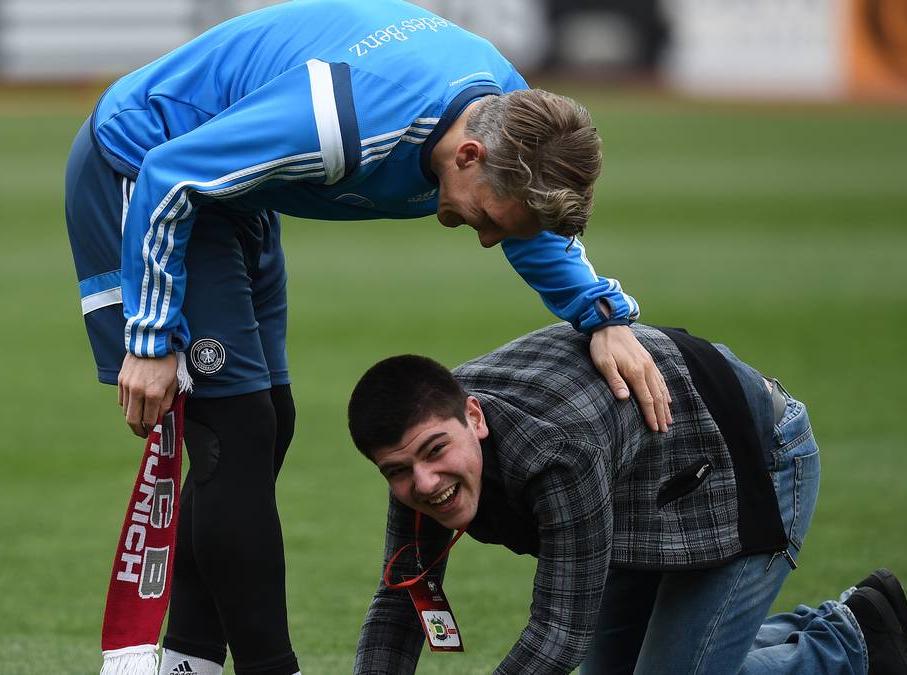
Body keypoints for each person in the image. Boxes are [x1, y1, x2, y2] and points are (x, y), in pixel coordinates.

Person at [64, 1, 674, 673]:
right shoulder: (342, 121)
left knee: (270, 421)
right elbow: (172, 174)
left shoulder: (510, 114)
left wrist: (603, 316)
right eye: (493, 218)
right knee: (232, 427)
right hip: (143, 167)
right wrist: (150, 337)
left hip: (233, 189)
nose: (490, 237)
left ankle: (188, 660)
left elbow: (534, 228)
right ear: (469, 156)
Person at [348, 323, 907, 674]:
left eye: (433, 452)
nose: (424, 483)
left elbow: (557, 636)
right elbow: (402, 601)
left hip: (752, 459)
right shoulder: (418, 463)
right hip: (643, 484)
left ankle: (851, 643)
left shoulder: (558, 453)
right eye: (397, 470)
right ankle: (845, 622)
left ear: (473, 415)